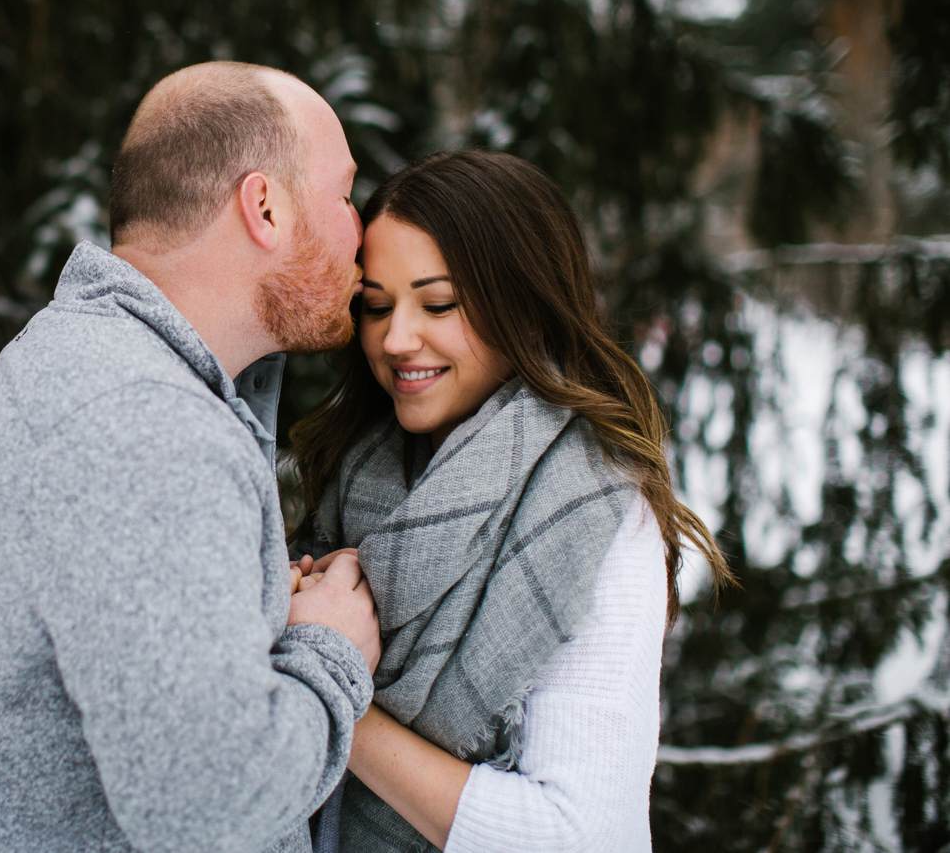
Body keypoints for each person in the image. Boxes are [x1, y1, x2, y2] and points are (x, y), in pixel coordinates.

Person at [0, 61, 383, 853]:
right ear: (264, 206)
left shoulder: (82, 363)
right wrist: (331, 649)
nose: (361, 229)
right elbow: (208, 807)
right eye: (345, 195)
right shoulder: (147, 426)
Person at [287, 150, 733, 852]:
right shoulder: (358, 472)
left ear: (521, 304)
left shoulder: (594, 510)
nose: (397, 339)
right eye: (375, 306)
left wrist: (328, 689)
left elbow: (579, 834)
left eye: (438, 304)